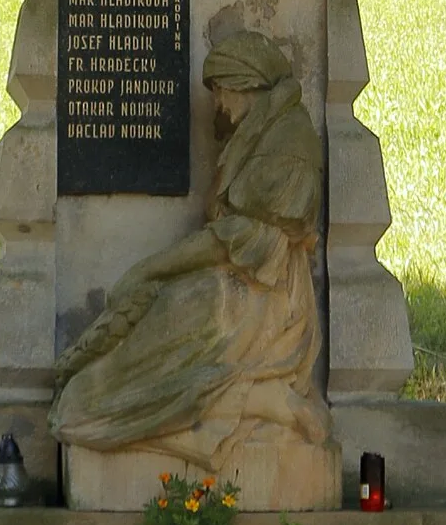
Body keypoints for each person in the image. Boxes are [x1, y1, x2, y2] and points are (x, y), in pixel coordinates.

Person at [49, 30, 326, 462]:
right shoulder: (263, 135)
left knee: (86, 404)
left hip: (260, 302)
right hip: (236, 288)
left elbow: (235, 242)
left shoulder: (289, 146)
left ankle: (262, 401)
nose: (218, 105)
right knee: (94, 389)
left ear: (245, 82)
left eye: (220, 91)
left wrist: (152, 269)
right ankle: (260, 400)